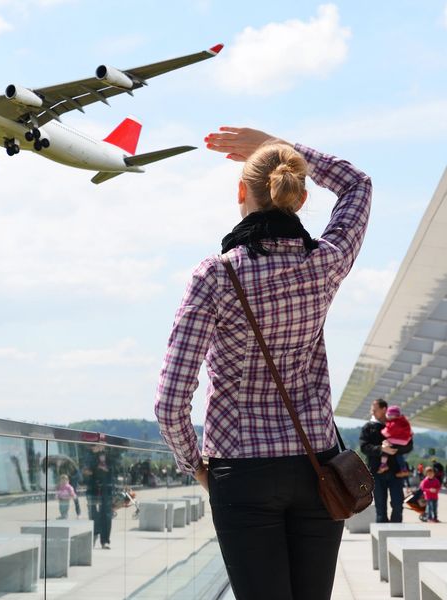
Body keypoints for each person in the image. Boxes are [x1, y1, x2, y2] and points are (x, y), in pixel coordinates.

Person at [155, 126, 372, 600]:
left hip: (241, 469)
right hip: (317, 466)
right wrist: (280, 144)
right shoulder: (326, 262)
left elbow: (171, 400)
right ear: (298, 194)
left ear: (241, 191)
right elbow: (357, 184)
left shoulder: (215, 275)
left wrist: (195, 465)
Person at [360, 399, 413, 523]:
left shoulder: (398, 423)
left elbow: (409, 445)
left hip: (396, 472)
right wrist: (381, 449)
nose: (371, 412)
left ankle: (397, 533)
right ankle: (382, 538)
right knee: (380, 506)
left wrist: (394, 449)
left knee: (398, 503)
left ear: (384, 409)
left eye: (374, 409)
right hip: (376, 472)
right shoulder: (368, 427)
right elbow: (364, 447)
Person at [84, 449, 114, 549]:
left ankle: (105, 541)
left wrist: (106, 469)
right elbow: (86, 473)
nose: (102, 456)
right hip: (93, 492)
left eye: (103, 454)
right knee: (93, 515)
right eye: (100, 454)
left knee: (106, 516)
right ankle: (94, 536)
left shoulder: (111, 462)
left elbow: (114, 474)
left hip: (106, 492)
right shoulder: (91, 460)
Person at [378, 405, 412, 477]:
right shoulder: (403, 421)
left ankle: (383, 464)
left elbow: (387, 432)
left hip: (398, 440)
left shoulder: (394, 422)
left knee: (386, 447)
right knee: (398, 454)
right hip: (405, 440)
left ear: (391, 415)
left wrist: (382, 432)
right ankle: (404, 469)